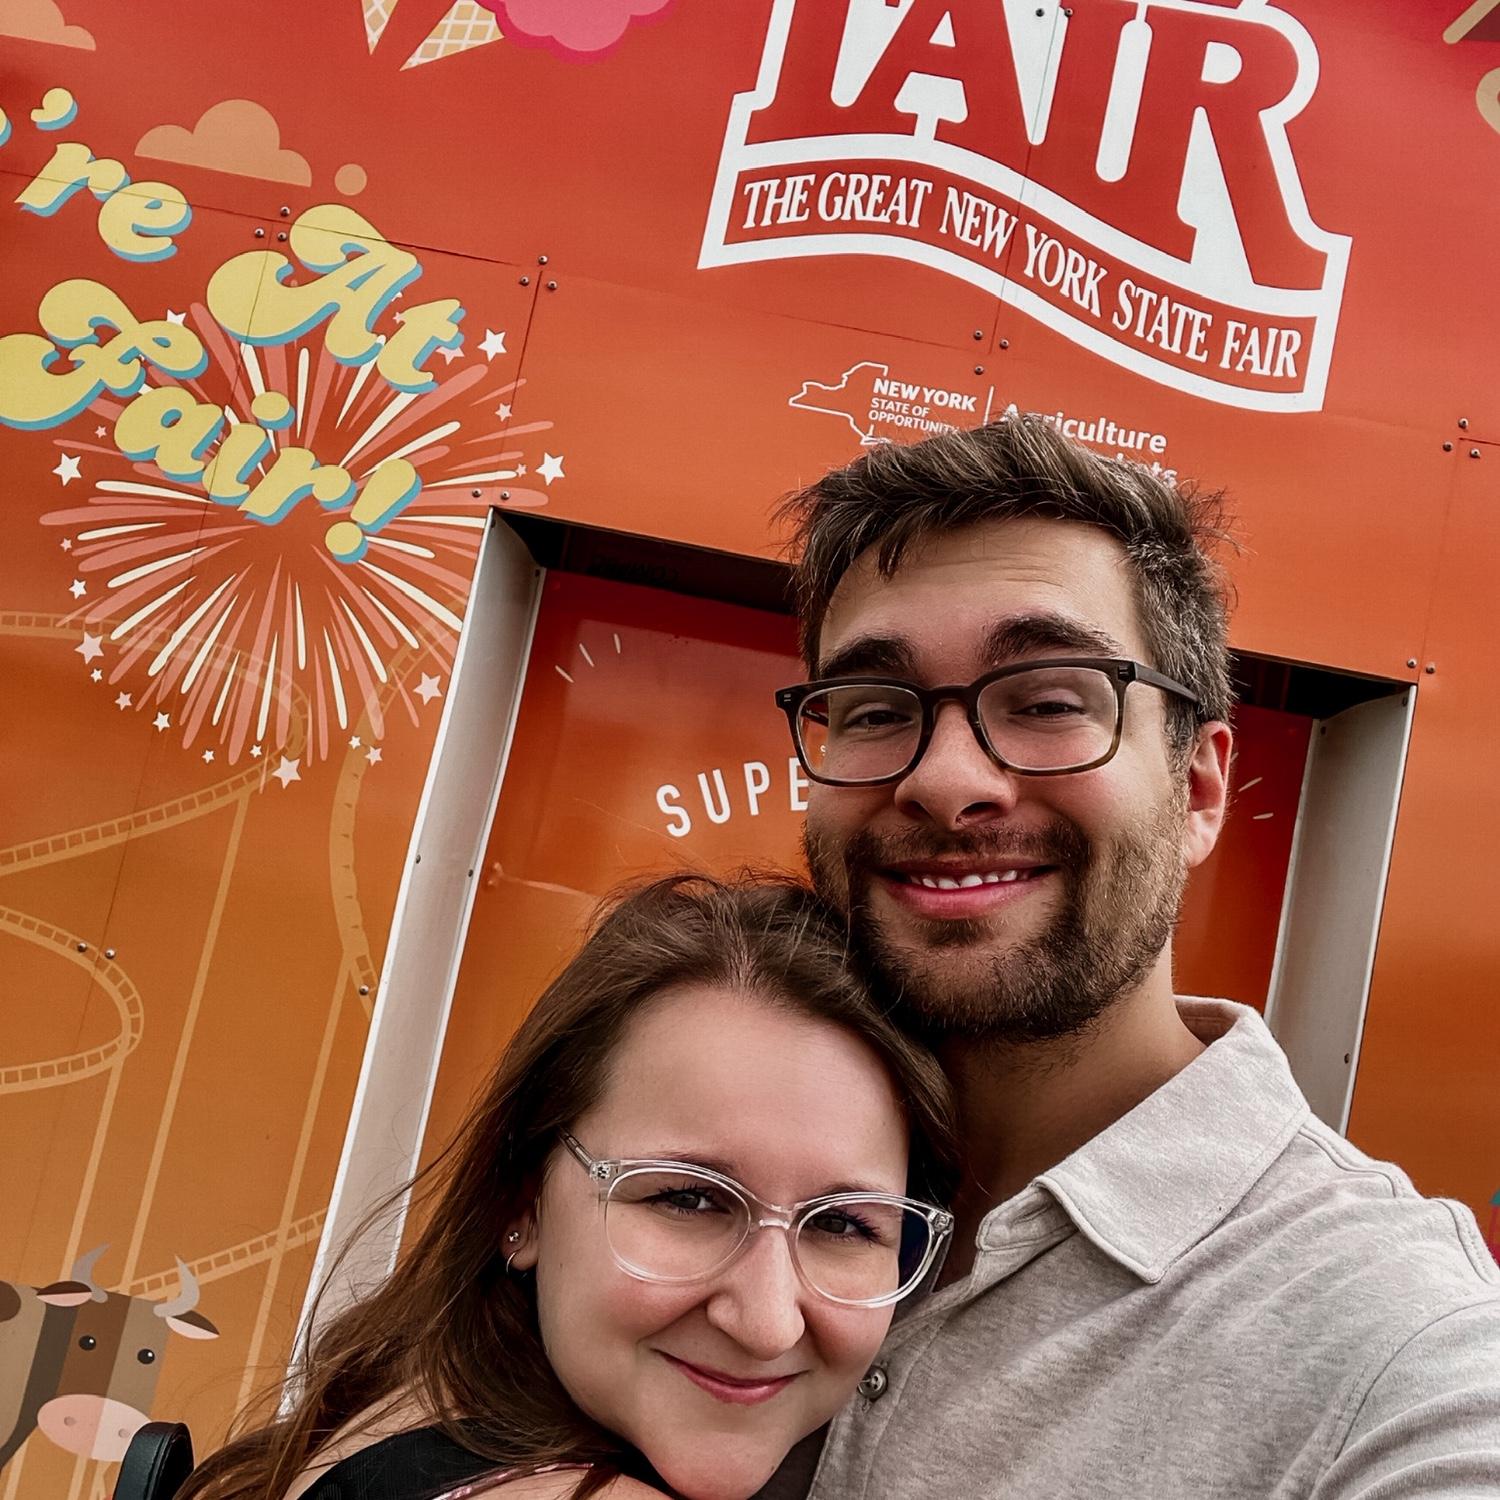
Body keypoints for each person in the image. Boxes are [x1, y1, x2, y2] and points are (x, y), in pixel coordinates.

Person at [762, 413, 1500, 1497]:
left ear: (1198, 790)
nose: (945, 779)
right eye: (878, 709)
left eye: (1052, 700)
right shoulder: (712, 1169)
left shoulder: (1398, 1347)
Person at [180, 874, 956, 1500]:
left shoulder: (412, 1409)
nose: (767, 1322)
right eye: (687, 1198)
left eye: (845, 1225)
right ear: (523, 1198)